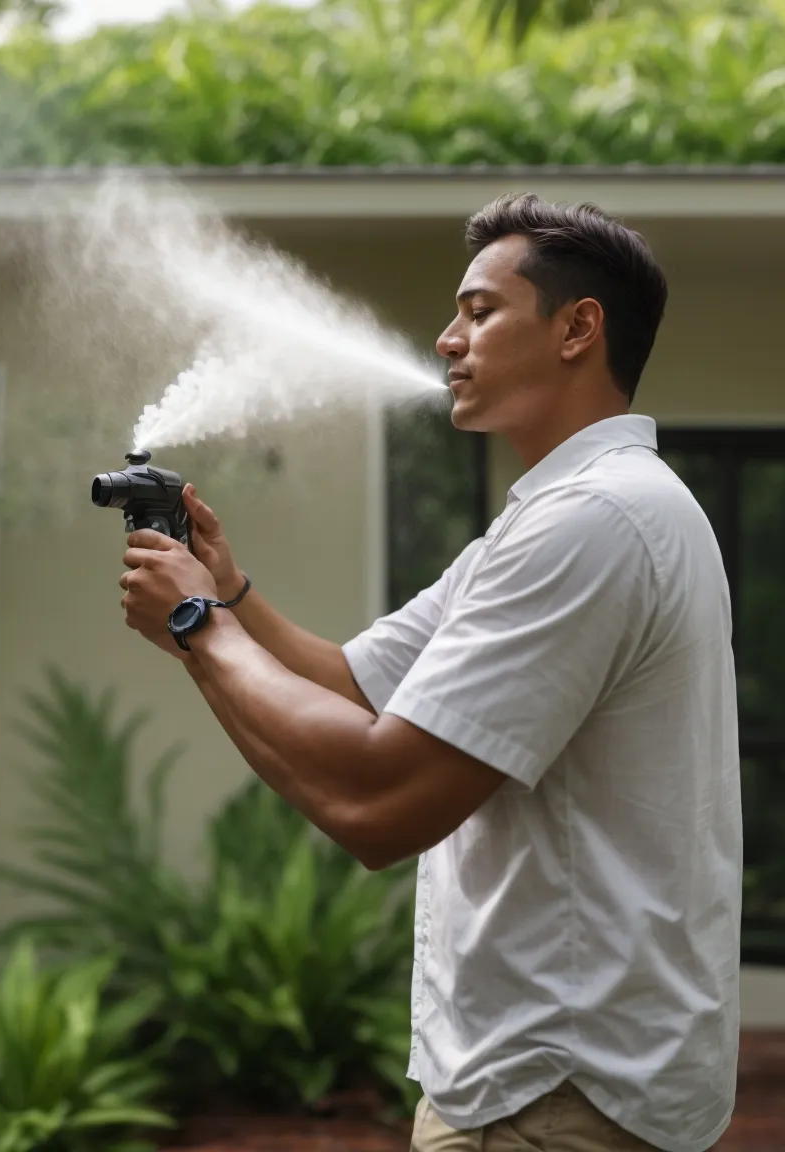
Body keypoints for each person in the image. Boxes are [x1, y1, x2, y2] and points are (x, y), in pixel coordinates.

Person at [116, 192, 742, 1152]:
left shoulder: (594, 525)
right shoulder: (553, 519)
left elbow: (382, 802)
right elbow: (356, 686)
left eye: (480, 310)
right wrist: (230, 594)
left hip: (553, 1095)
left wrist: (199, 625)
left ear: (579, 328)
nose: (448, 340)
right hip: (535, 1084)